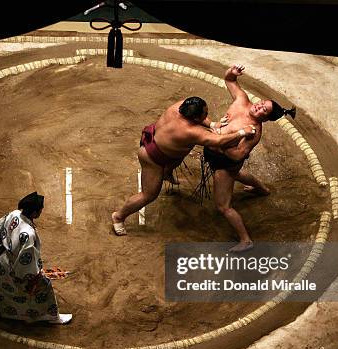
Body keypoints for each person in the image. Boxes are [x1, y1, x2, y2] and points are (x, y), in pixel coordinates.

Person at [111, 96, 257, 236]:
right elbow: (218, 141)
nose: (207, 116)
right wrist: (242, 132)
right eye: (205, 114)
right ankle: (119, 216)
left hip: (157, 140)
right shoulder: (191, 131)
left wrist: (212, 124)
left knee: (181, 152)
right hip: (152, 158)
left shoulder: (179, 106)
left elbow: (204, 123)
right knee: (148, 195)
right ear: (195, 118)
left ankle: (167, 172)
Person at [196, 64, 296, 252]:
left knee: (223, 206)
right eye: (261, 103)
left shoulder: (254, 132)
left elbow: (238, 155)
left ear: (265, 119)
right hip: (217, 152)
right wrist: (231, 73)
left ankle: (246, 240)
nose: (259, 107)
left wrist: (219, 140)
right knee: (240, 174)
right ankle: (262, 189)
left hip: (225, 164)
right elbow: (229, 81)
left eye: (263, 110)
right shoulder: (242, 100)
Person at [0, 192, 72, 324]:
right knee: (43, 287)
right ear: (34, 213)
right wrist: (34, 277)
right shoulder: (28, 234)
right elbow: (25, 262)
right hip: (12, 268)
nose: (41, 211)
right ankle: (51, 317)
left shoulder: (14, 214)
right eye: (40, 209)